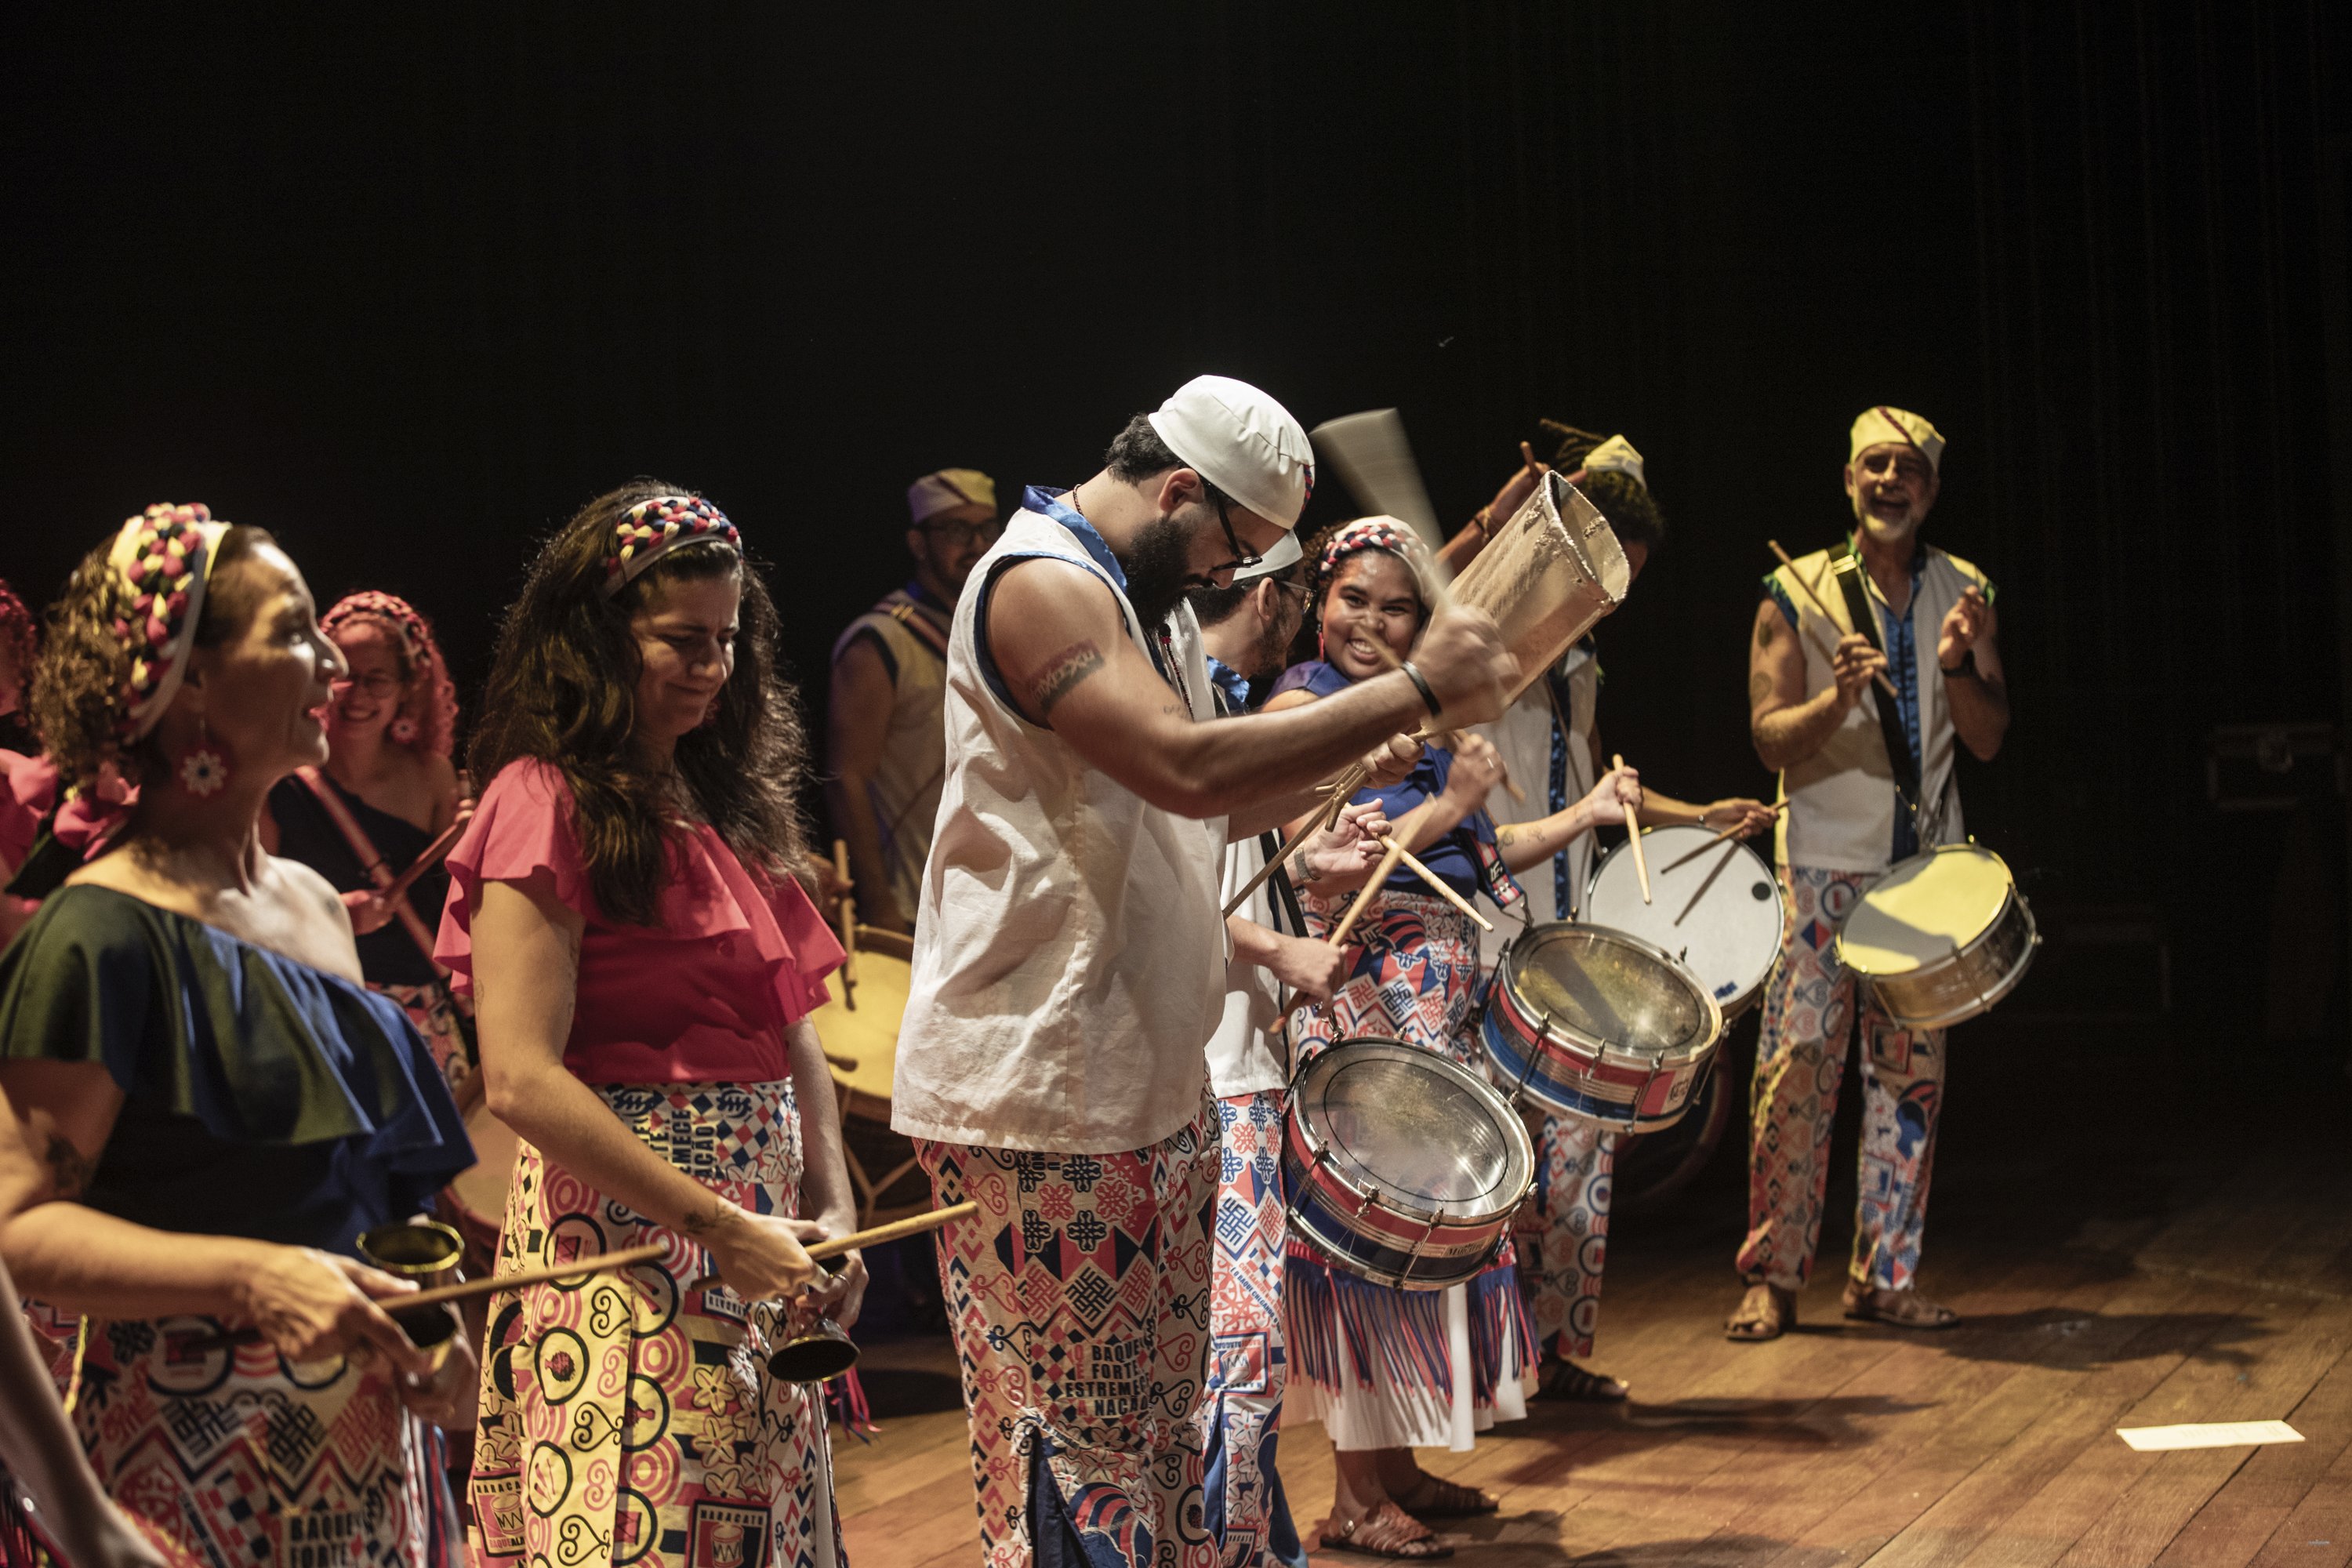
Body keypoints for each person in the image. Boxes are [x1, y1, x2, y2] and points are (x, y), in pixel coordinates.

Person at [894, 376, 1516, 1568]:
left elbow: (1213, 806)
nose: (1231, 576)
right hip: (1038, 1092)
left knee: (1163, 1445)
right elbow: (1184, 765)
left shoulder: (1151, 605)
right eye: (1232, 545)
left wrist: (1374, 744)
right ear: (1180, 489)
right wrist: (1418, 686)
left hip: (1146, 1075)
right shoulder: (1039, 584)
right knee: (1078, 1451)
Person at [0, 503, 476, 1566]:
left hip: (373, 1474)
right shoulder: (101, 932)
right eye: (296, 631)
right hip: (196, 1476)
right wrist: (252, 1276)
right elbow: (15, 1227)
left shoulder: (311, 904)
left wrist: (433, 1335)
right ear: (191, 683)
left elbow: (354, 1202)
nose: (330, 667)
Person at [441, 482, 864, 1568]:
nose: (712, 667)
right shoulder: (541, 797)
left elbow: (794, 1031)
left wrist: (834, 1208)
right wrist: (718, 1225)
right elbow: (521, 1078)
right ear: (595, 636)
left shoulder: (723, 800)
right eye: (682, 639)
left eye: (727, 640)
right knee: (646, 1526)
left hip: (754, 1237)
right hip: (627, 1240)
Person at [1263, 517, 1644, 1561]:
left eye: (1397, 607)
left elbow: (1481, 848)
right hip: (1365, 1001)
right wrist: (1448, 803)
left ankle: (1394, 1469)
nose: (1372, 622)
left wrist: (1580, 814)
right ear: (1318, 602)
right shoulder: (1302, 705)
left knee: (1417, 1244)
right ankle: (1353, 1496)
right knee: (1365, 1241)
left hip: (1432, 1008)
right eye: (1354, 599)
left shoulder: (1412, 719)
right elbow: (1311, 859)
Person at [1442, 430, 1775, 1403]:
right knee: (1488, 1157)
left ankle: (1551, 1353)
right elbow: (1427, 588)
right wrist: (1501, 517)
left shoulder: (1579, 659)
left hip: (1567, 927)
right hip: (1484, 921)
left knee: (1580, 1154)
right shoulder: (1478, 631)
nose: (1612, 593)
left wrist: (1694, 813)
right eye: (1602, 569)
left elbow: (1594, 778)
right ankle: (1480, 1367)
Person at [1725, 408, 2008, 1342]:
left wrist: (1958, 662)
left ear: (1932, 487)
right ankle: (1773, 1273)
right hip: (1822, 863)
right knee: (1797, 1067)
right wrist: (1836, 697)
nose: (1892, 480)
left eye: (1909, 468)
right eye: (1875, 465)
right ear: (1850, 479)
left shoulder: (1967, 589)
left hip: (1923, 871)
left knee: (1910, 1073)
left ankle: (1886, 1274)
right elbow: (1769, 735)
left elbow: (1988, 736)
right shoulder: (1795, 587)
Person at [1187, 556, 1360, 1568]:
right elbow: (1161, 895)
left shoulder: (1215, 703)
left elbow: (1234, 868)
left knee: (1247, 1352)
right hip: (1212, 1074)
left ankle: (1248, 1544)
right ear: (1270, 598)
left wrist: (1318, 869)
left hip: (1244, 1061)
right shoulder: (1186, 709)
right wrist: (1282, 951)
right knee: (1242, 1351)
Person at [265, 592, 468, 1093]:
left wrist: (475, 847)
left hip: (418, 1015)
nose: (356, 694)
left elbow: (458, 912)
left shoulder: (433, 777)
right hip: (311, 1003)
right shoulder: (279, 776)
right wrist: (333, 914)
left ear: (408, 688)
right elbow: (250, 904)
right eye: (343, 674)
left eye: (377, 679)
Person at [826, 468, 997, 933]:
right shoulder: (880, 641)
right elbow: (846, 779)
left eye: (986, 528)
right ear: (919, 544)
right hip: (914, 903)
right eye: (957, 530)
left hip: (991, 899)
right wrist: (879, 904)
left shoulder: (993, 627)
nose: (977, 544)